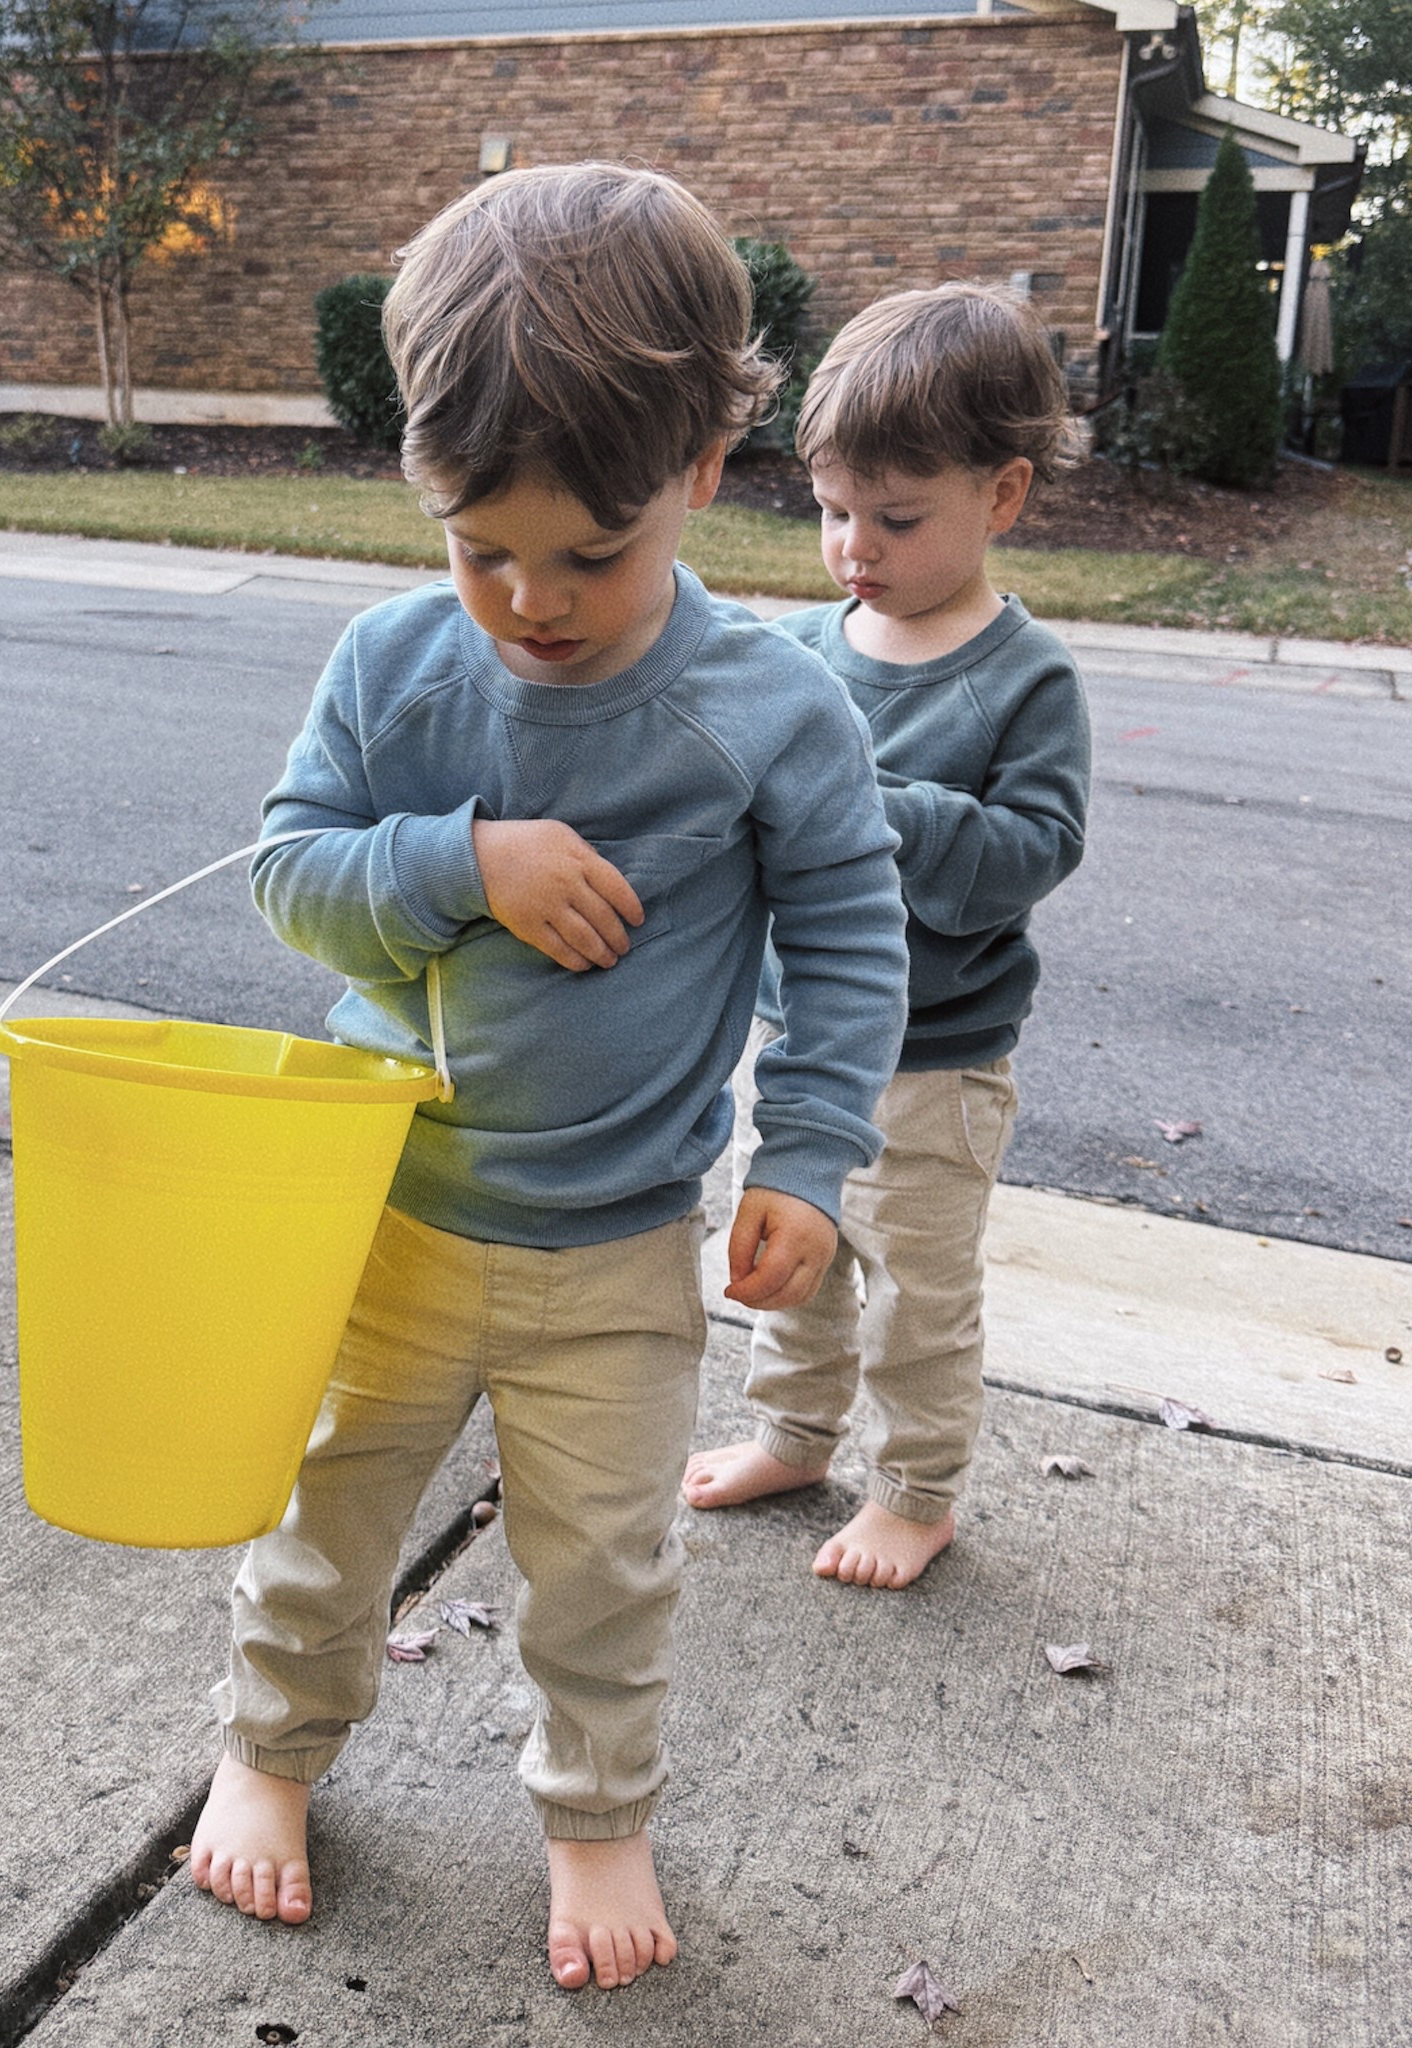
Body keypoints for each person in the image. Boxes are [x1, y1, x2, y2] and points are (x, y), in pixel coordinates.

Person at [186, 163, 909, 1992]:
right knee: (328, 1516)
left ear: (699, 470)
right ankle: (267, 1754)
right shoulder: (395, 668)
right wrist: (460, 860)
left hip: (611, 1255)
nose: (531, 600)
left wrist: (809, 1157)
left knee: (604, 1568)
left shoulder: (770, 708)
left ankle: (598, 1814)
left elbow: (847, 938)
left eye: (591, 553)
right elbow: (289, 880)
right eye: (476, 543)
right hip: (391, 1224)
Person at [683, 282, 1091, 1592]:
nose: (856, 544)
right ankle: (794, 1436)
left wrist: (881, 804)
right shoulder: (802, 650)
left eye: (897, 518)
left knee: (916, 1297)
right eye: (833, 510)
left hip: (937, 1064)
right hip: (805, 1049)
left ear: (1004, 496)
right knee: (791, 1262)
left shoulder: (1023, 680)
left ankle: (918, 1489)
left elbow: (1027, 858)